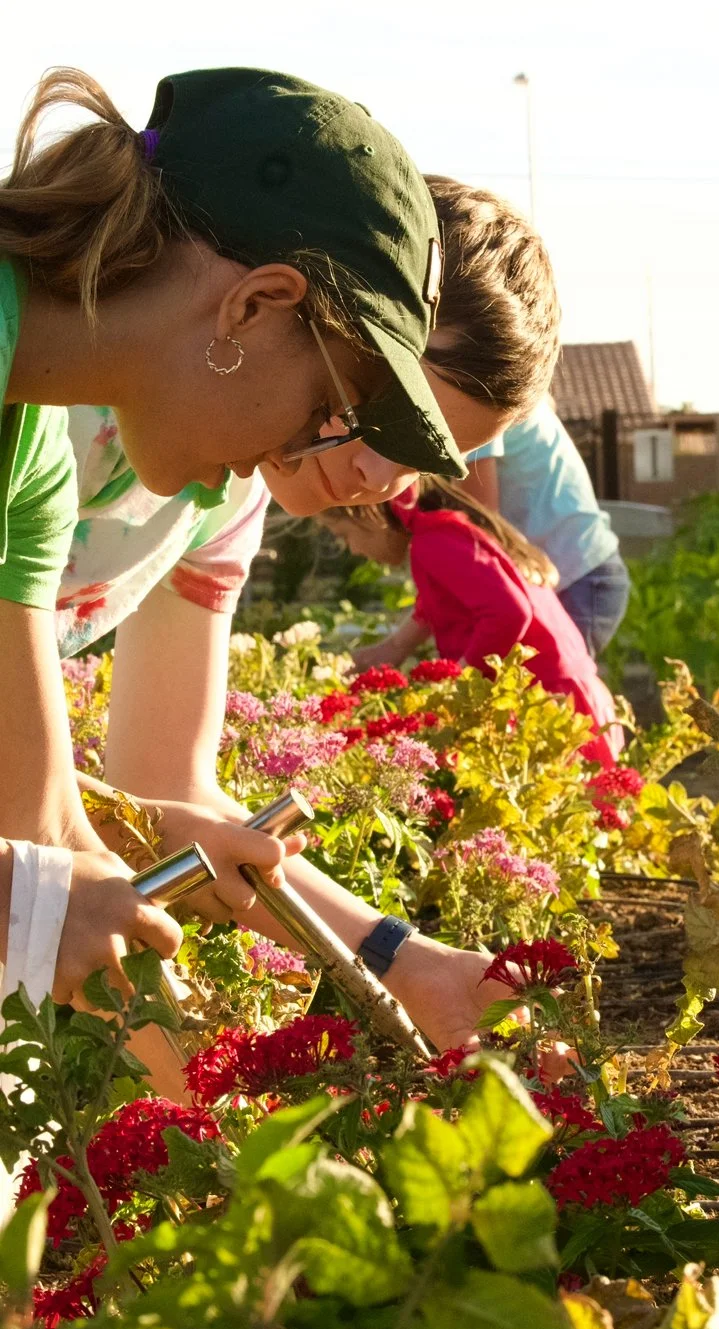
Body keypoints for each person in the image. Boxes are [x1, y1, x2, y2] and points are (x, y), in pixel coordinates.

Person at [51, 176, 563, 1064]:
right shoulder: (68, 397)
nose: (386, 484)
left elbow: (168, 778)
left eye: (432, 461)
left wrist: (407, 959)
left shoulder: (224, 493)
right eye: (396, 419)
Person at [0, 63, 471, 1027]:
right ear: (252, 305)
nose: (288, 460)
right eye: (328, 407)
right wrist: (25, 890)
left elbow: (36, 823)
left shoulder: (31, 452)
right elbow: (28, 875)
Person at [324, 479, 624, 765]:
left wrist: (462, 688)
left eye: (342, 535)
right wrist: (390, 649)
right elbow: (443, 602)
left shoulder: (432, 542)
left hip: (550, 710)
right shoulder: (447, 529)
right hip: (569, 700)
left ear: (369, 511)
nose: (352, 549)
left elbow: (509, 613)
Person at [463, 402, 632, 658]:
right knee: (561, 690)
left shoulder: (477, 400)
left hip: (577, 579)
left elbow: (480, 528)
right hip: (580, 574)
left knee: (559, 688)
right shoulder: (505, 383)